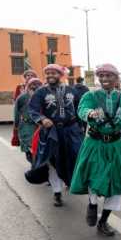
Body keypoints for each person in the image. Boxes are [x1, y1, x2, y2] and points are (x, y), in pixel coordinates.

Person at [70, 63, 121, 236]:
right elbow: (82, 109)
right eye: (101, 76)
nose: (104, 79)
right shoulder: (91, 95)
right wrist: (89, 114)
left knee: (116, 182)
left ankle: (103, 222)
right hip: (95, 144)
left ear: (116, 78)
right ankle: (93, 204)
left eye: (108, 76)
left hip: (116, 146)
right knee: (95, 176)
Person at [26, 64, 83, 207]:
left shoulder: (72, 90)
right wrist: (42, 119)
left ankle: (71, 181)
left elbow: (80, 109)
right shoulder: (41, 92)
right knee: (53, 162)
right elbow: (32, 110)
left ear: (61, 75)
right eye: (48, 73)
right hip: (52, 133)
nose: (50, 75)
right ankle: (57, 193)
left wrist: (81, 126)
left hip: (71, 131)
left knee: (75, 157)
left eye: (54, 73)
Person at [13, 77, 42, 163]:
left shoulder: (43, 96)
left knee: (39, 149)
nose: (35, 86)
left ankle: (37, 168)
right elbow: (16, 112)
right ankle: (35, 167)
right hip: (27, 127)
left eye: (38, 84)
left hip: (40, 126)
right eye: (33, 84)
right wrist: (16, 126)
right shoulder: (22, 97)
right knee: (29, 148)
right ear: (28, 85)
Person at [12, 70, 38, 146]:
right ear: (25, 77)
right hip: (24, 114)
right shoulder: (20, 87)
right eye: (28, 75)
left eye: (32, 75)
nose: (29, 77)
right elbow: (17, 101)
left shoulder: (39, 87)